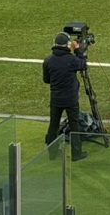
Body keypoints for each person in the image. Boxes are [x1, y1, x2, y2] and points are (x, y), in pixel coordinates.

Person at [42, 33, 87, 161]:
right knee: (74, 125)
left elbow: (46, 80)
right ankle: (76, 154)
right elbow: (83, 64)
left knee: (53, 125)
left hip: (56, 98)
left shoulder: (48, 60)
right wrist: (78, 50)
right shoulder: (71, 59)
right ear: (67, 44)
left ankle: (52, 153)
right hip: (71, 99)